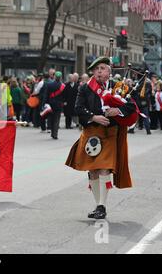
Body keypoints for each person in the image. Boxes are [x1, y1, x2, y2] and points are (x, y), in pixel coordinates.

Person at [66, 57, 136, 220]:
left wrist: (116, 111)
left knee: (104, 167)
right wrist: (93, 117)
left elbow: (131, 106)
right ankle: (98, 204)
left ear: (109, 72)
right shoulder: (85, 88)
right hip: (91, 131)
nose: (99, 71)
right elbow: (77, 108)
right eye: (96, 68)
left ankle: (102, 205)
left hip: (110, 132)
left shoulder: (118, 87)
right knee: (93, 169)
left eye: (103, 68)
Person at [42, 71, 65, 140]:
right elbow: (64, 96)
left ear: (55, 77)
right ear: (60, 77)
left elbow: (46, 95)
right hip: (59, 104)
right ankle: (55, 133)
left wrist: (44, 103)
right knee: (57, 119)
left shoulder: (49, 84)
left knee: (51, 118)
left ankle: (51, 131)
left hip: (50, 104)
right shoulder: (63, 86)